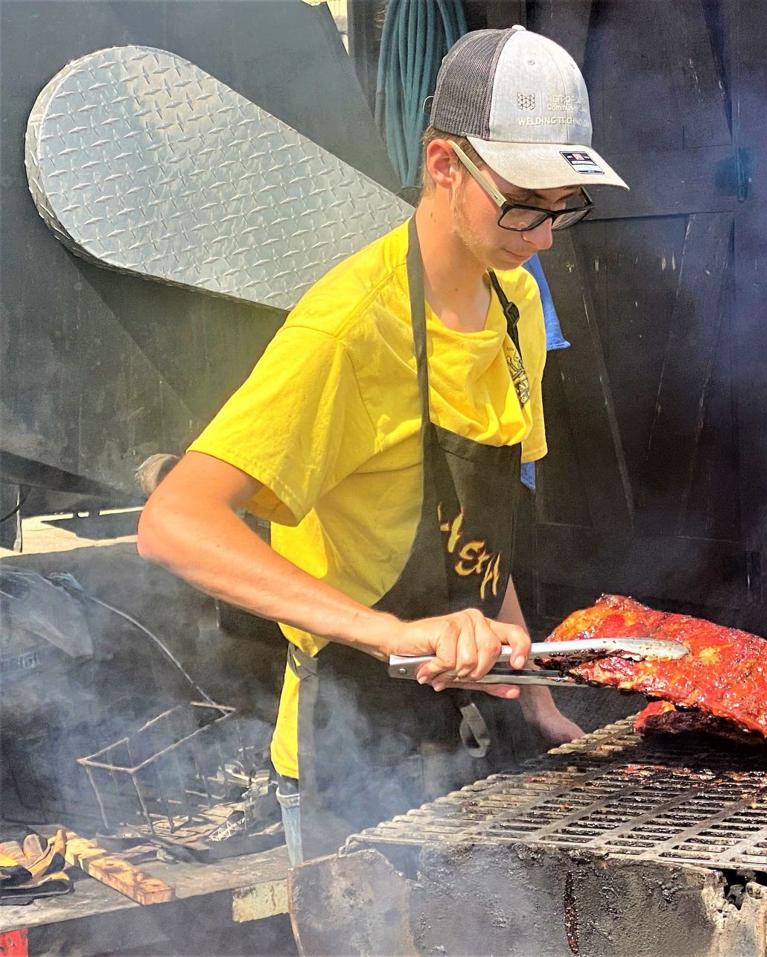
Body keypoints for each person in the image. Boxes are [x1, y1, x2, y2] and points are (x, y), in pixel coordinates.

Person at [137, 25, 628, 862]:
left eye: (562, 207)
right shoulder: (350, 328)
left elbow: (480, 535)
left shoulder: (515, 309)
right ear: (445, 164)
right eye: (523, 203)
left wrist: (533, 693)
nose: (544, 236)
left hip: (462, 737)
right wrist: (390, 632)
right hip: (348, 753)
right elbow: (173, 521)